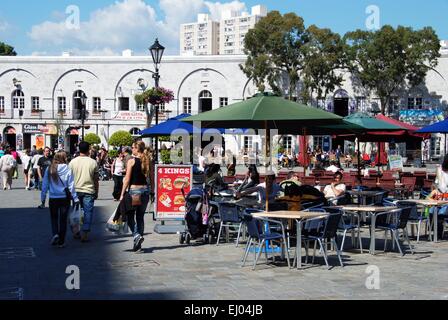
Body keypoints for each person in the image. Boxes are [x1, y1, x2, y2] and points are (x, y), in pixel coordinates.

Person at [120, 141, 154, 252]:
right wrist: (152, 191)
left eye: (133, 147)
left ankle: (136, 235)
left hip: (134, 191)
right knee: (140, 217)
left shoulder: (131, 161)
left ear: (137, 149)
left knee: (130, 216)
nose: (132, 149)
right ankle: (138, 245)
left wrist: (122, 194)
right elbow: (152, 179)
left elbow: (127, 179)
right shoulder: (148, 161)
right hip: (145, 191)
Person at [40, 151, 79, 248]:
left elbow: (44, 185)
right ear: (64, 158)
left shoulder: (49, 169)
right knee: (63, 219)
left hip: (53, 198)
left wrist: (43, 198)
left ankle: (55, 234)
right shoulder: (68, 169)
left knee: (54, 218)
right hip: (64, 198)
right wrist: (75, 198)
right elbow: (71, 185)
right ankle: (61, 241)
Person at [69, 141, 99, 242]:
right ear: (88, 149)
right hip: (89, 190)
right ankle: (85, 233)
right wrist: (96, 191)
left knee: (76, 211)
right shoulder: (93, 162)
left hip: (76, 190)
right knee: (88, 212)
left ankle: (76, 231)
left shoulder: (73, 162)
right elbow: (96, 179)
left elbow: (70, 178)